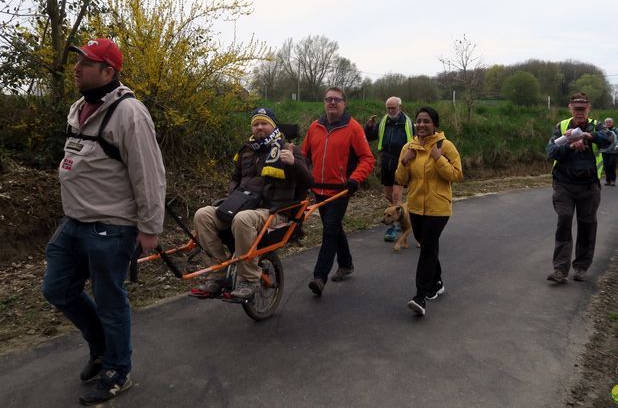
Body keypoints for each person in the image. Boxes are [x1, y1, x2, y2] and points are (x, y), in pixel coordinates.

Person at [41, 38, 166, 405]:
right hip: (75, 221)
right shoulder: (78, 107)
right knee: (57, 288)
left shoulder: (130, 113)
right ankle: (100, 348)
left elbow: (150, 174)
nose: (77, 68)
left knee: (111, 301)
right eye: (78, 60)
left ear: (108, 72)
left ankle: (117, 371)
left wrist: (150, 228)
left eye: (87, 63)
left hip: (112, 226)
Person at [193, 107, 313, 298]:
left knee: (243, 219)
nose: (259, 127)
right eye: (255, 124)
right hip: (242, 205)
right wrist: (233, 197)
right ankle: (219, 271)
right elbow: (235, 178)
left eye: (264, 123)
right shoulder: (246, 152)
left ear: (273, 126)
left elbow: (309, 182)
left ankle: (249, 279)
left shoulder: (288, 149)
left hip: (274, 211)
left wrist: (294, 163)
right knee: (203, 215)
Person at [301, 87, 375, 296]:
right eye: (328, 99)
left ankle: (319, 277)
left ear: (344, 103)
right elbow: (304, 154)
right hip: (319, 188)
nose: (332, 103)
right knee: (333, 228)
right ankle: (346, 264)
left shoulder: (353, 128)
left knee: (329, 230)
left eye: (337, 100)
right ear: (324, 103)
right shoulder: (315, 127)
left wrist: (355, 179)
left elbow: (367, 158)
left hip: (341, 191)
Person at [395, 106, 463, 317]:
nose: (421, 125)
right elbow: (400, 179)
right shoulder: (408, 147)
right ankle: (437, 283)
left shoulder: (445, 146)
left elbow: (457, 175)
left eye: (426, 121)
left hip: (439, 207)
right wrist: (405, 162)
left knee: (427, 249)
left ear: (435, 124)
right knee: (428, 247)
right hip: (415, 206)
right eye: (419, 121)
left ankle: (420, 296)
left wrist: (438, 158)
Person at [545, 92, 614, 284]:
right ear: (570, 108)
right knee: (564, 221)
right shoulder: (562, 126)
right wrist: (570, 145)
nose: (580, 113)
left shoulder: (597, 126)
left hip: (589, 186)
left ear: (589, 108)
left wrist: (588, 136)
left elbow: (610, 140)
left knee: (587, 225)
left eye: (583, 109)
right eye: (576, 109)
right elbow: (551, 152)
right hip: (564, 185)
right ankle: (560, 270)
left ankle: (581, 268)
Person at [365, 96, 414, 242]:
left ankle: (394, 227)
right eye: (388, 108)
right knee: (388, 195)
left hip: (401, 163)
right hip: (386, 162)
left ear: (399, 107)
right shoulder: (383, 122)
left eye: (393, 108)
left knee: (396, 195)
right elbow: (370, 136)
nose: (391, 110)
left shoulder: (408, 123)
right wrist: (369, 126)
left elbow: (416, 141)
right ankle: (403, 215)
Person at [602, 117, 618, 186]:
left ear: (612, 123)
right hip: (605, 150)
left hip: (614, 151)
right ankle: (607, 180)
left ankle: (613, 180)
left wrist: (617, 145)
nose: (608, 123)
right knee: (606, 166)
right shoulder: (603, 130)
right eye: (607, 122)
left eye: (610, 122)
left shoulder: (616, 130)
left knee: (611, 165)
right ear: (605, 123)